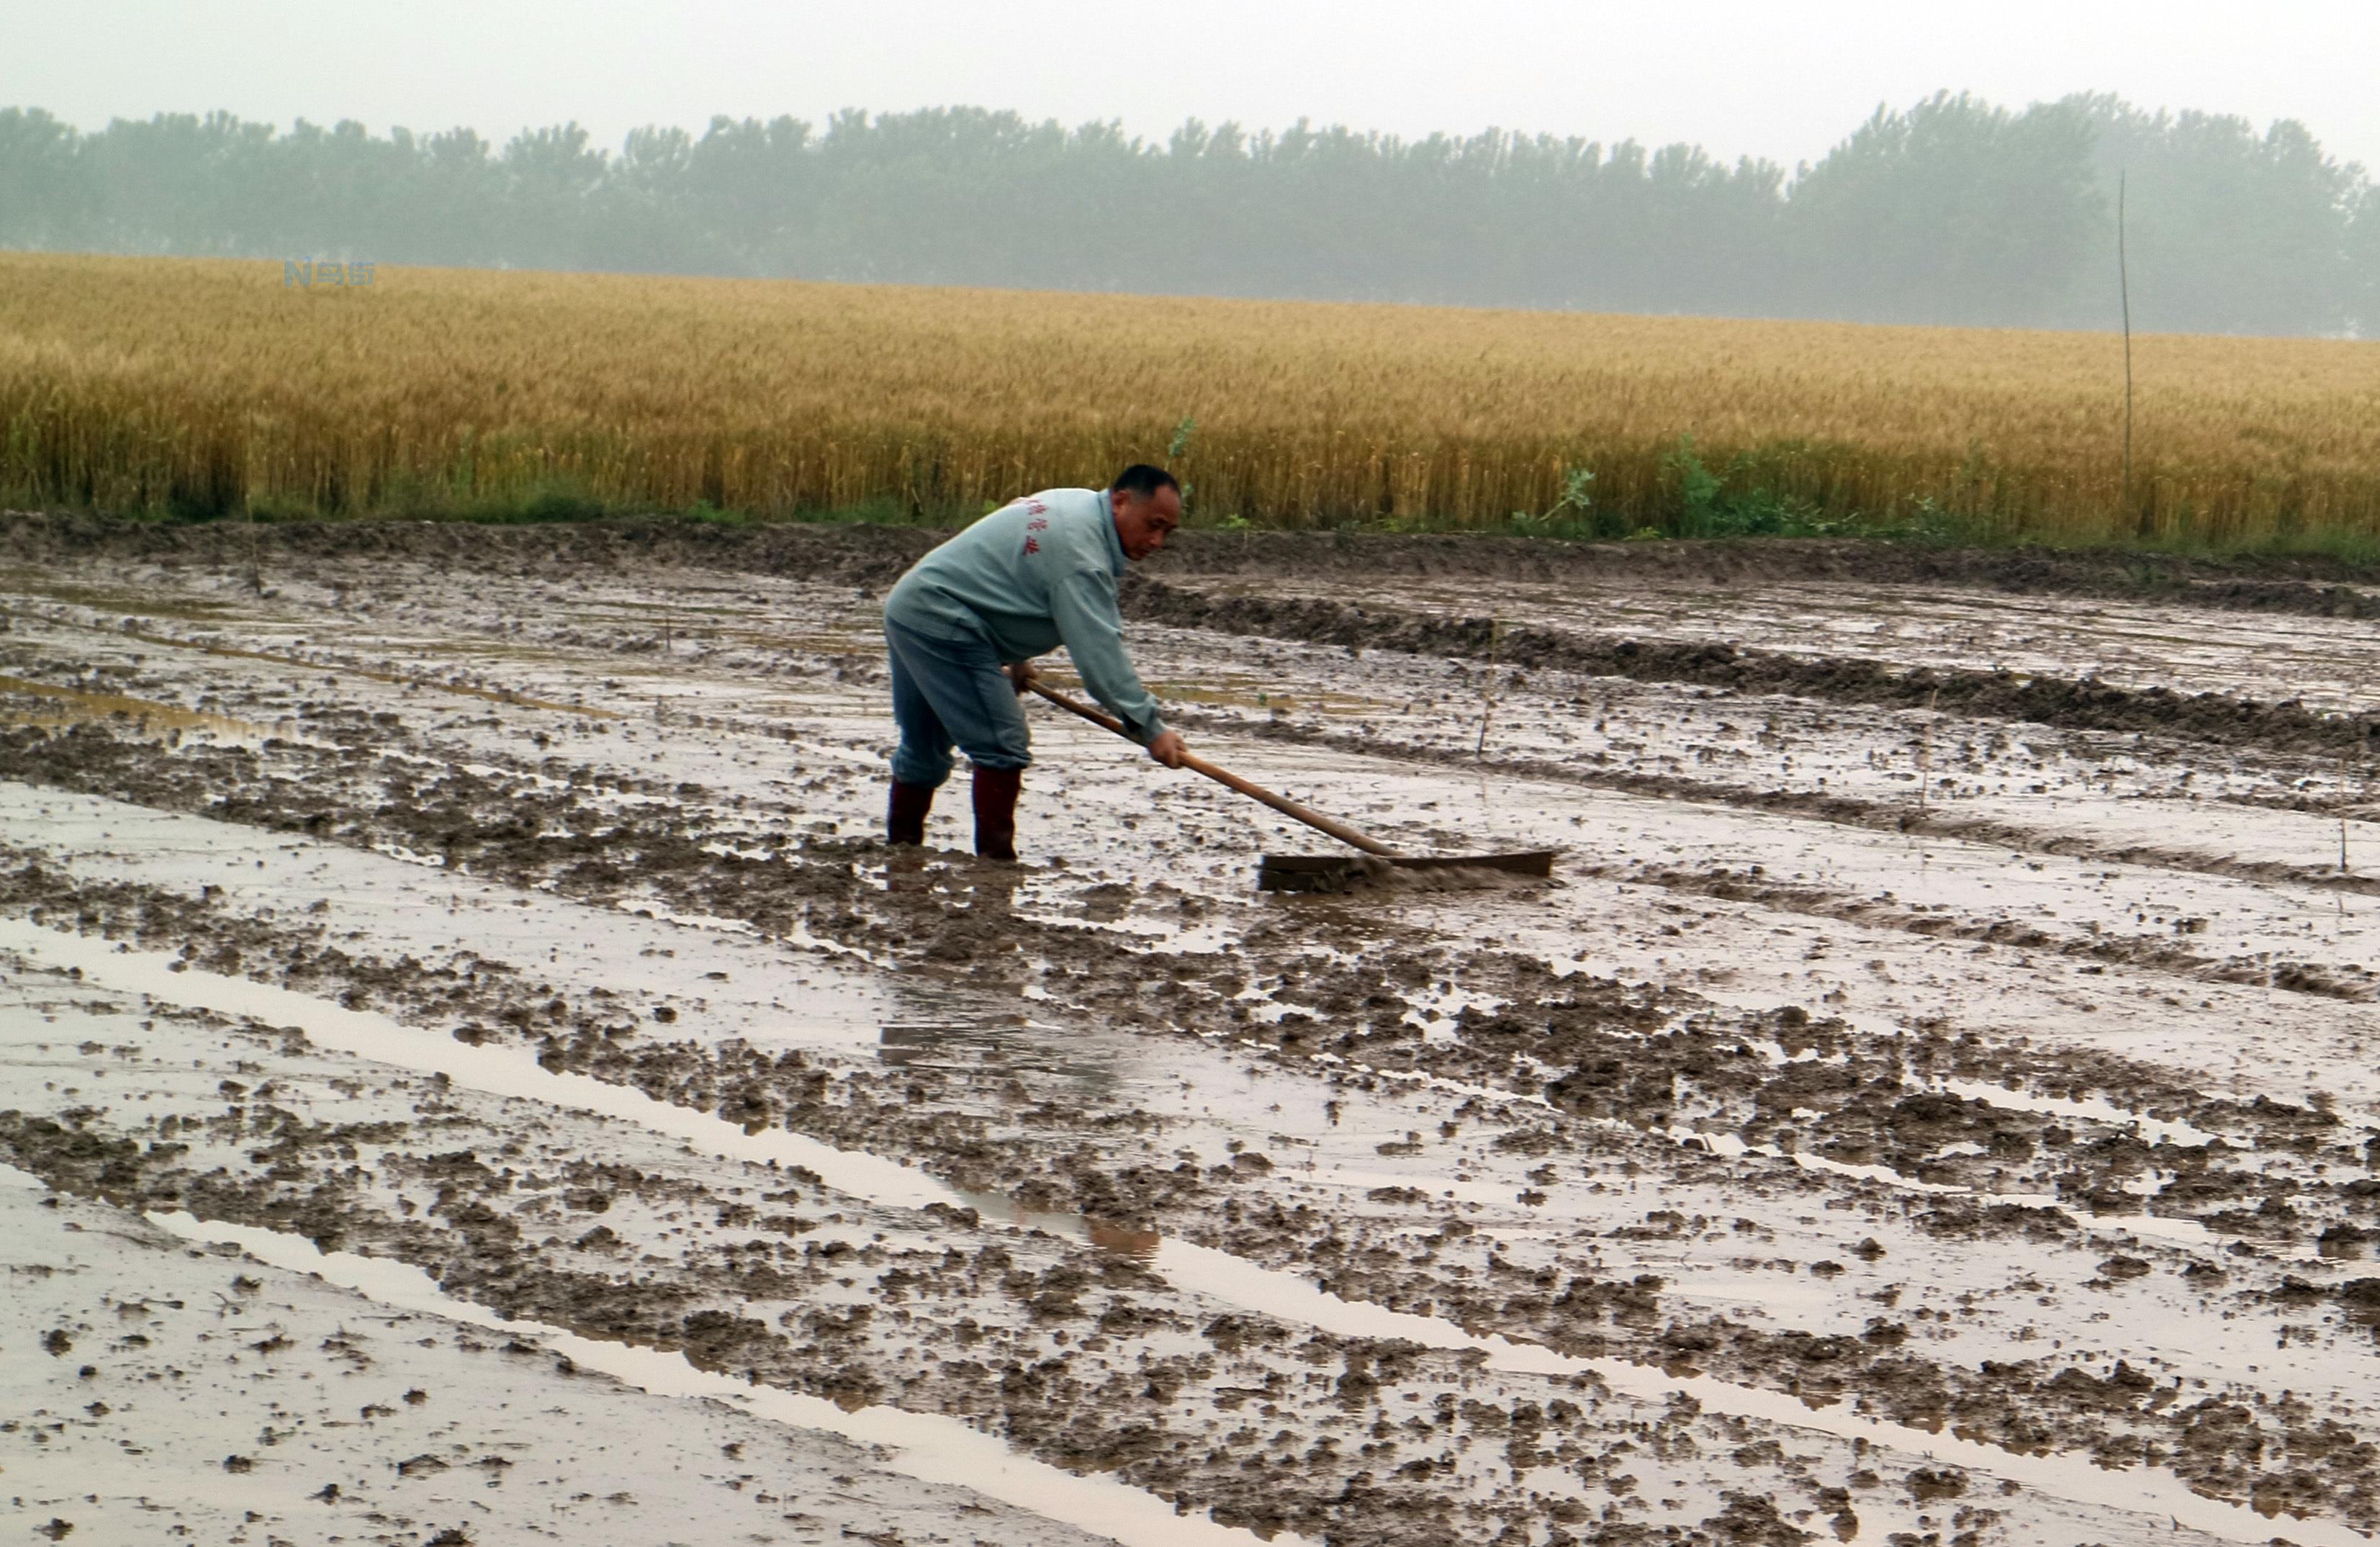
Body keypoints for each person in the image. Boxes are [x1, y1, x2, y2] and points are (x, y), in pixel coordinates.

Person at [880, 464, 1190, 860]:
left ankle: (900, 857)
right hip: (946, 622)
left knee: (924, 747)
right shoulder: (1083, 558)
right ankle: (995, 868)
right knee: (1002, 744)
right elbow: (1100, 659)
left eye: (1167, 532)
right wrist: (1151, 728)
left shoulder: (1072, 501)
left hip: (911, 606)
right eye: (1153, 524)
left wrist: (1017, 655)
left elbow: (1010, 566)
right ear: (1121, 501)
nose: (1156, 541)